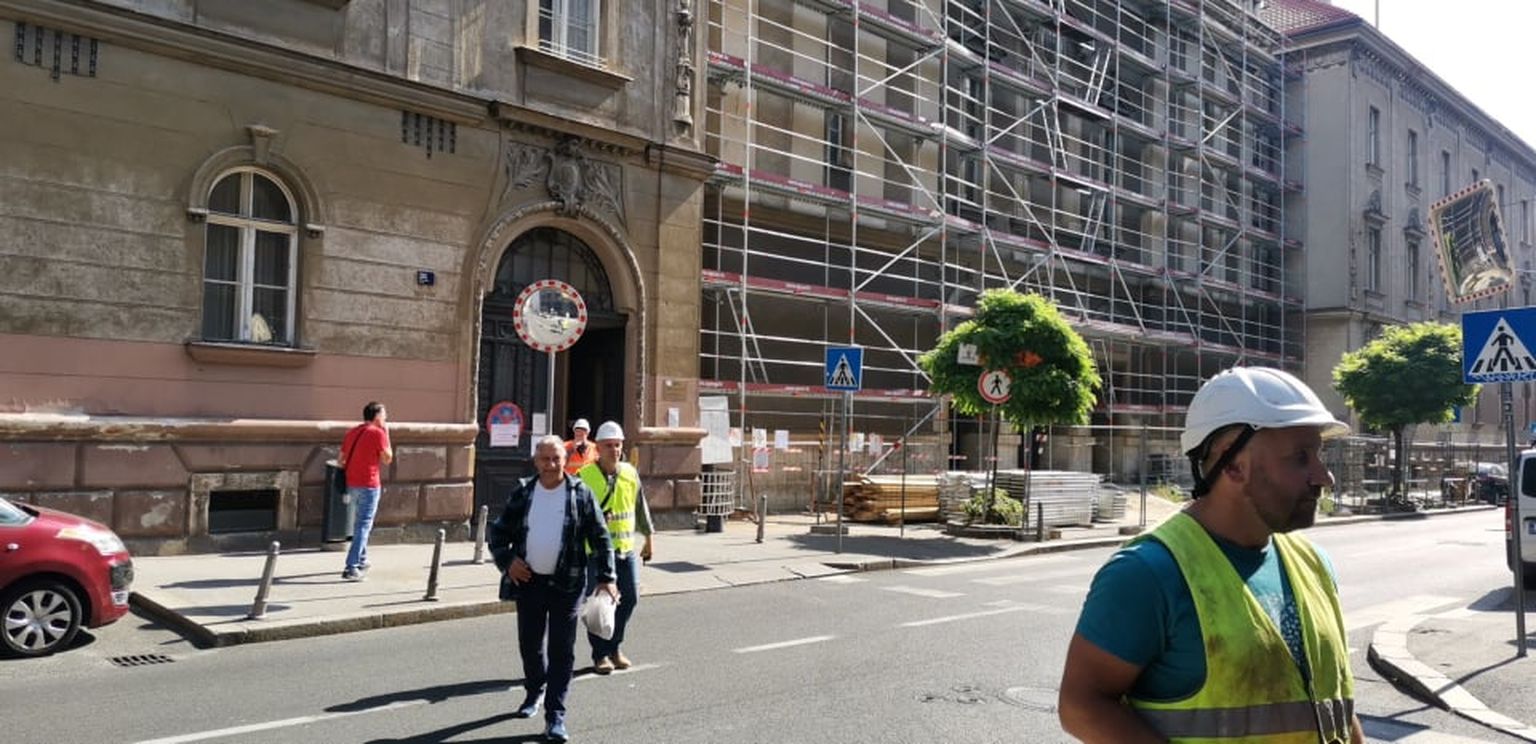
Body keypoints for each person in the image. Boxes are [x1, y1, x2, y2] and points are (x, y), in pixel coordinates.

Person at [1059, 367, 1364, 744]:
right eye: (1300, 457)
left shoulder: (1314, 563)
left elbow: (1334, 703)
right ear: (1233, 464)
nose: (1324, 477)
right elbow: (1081, 706)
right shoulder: (1147, 574)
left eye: (1319, 454)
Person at [488, 435, 618, 743]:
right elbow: (498, 532)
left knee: (562, 649)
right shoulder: (524, 491)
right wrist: (507, 561)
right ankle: (534, 690)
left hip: (567, 583)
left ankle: (555, 716)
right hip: (529, 582)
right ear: (536, 461)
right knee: (530, 645)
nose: (550, 465)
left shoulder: (580, 493)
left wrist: (607, 577)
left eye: (556, 458)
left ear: (565, 460)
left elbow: (600, 537)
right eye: (545, 459)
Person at [578, 421, 654, 675]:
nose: (614, 450)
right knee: (599, 606)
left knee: (629, 598)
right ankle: (600, 654)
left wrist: (649, 539)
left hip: (624, 550)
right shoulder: (584, 476)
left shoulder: (630, 473)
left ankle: (614, 646)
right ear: (598, 448)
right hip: (596, 554)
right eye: (609, 445)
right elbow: (575, 515)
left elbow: (640, 508)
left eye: (618, 445)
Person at [338, 401, 392, 581]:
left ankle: (361, 559)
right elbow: (387, 459)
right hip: (369, 485)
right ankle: (351, 567)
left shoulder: (352, 432)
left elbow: (340, 460)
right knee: (363, 525)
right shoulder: (378, 433)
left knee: (359, 524)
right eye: (384, 415)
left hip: (352, 484)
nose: (386, 418)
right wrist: (386, 433)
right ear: (377, 416)